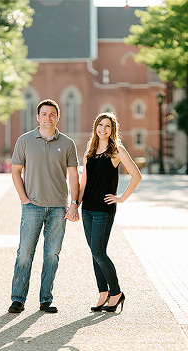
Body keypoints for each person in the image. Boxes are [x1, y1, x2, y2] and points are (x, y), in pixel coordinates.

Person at [8, 99, 80, 314]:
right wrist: (24, 199)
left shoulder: (67, 143)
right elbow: (15, 171)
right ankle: (18, 299)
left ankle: (45, 299)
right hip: (32, 206)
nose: (48, 117)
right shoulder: (25, 140)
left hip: (59, 207)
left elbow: (74, 175)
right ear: (37, 117)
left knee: (52, 255)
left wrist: (74, 203)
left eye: (52, 114)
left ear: (58, 117)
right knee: (24, 254)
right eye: (44, 114)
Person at [78, 113, 141, 313]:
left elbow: (136, 176)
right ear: (95, 127)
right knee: (95, 253)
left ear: (113, 130)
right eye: (100, 125)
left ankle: (116, 293)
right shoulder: (89, 151)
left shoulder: (117, 151)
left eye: (107, 126)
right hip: (87, 209)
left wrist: (121, 198)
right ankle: (103, 293)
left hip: (104, 210)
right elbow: (84, 182)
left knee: (99, 252)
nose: (103, 129)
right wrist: (75, 204)